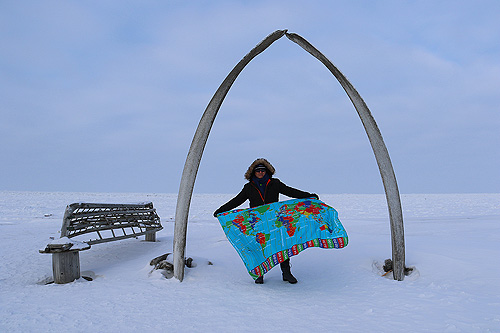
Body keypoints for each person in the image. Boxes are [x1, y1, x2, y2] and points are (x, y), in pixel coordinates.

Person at [213, 158, 318, 284]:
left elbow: (290, 191)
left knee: (281, 245)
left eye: (263, 170)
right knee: (259, 247)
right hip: (257, 223)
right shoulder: (249, 187)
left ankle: (286, 273)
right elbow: (237, 200)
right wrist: (221, 210)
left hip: (275, 221)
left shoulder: (275, 183)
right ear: (253, 173)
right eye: (258, 171)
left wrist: (308, 196)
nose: (261, 173)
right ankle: (259, 274)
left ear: (267, 171)